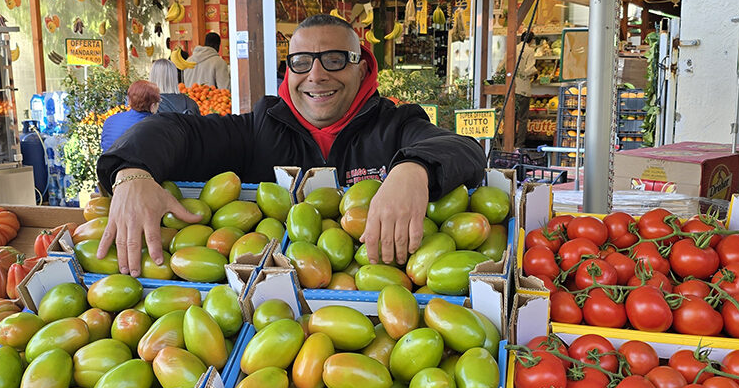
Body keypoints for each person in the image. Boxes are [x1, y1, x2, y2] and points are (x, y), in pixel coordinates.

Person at [96, 14, 485, 277]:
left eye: (334, 59)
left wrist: (413, 170)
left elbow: (465, 149)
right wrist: (130, 172)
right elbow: (174, 130)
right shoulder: (260, 129)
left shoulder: (394, 125)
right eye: (301, 61)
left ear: (362, 66)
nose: (315, 75)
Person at [100, 80, 159, 152]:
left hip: (108, 162)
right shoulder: (156, 126)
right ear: (152, 106)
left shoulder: (110, 121)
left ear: (129, 101)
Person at [514, 31, 537, 149]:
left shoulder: (513, 48)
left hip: (512, 89)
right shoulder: (529, 51)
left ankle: (509, 143)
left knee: (511, 117)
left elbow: (501, 66)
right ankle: (519, 145)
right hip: (523, 89)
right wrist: (535, 72)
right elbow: (529, 69)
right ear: (531, 40)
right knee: (522, 119)